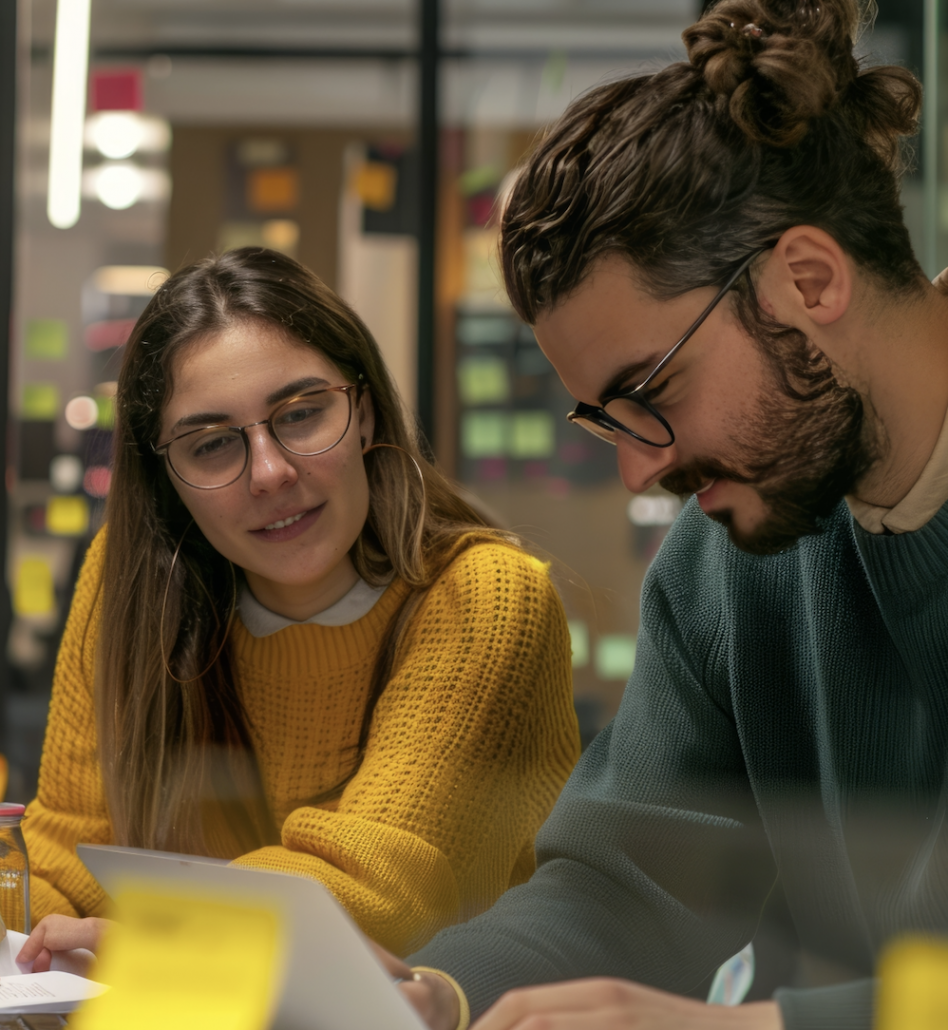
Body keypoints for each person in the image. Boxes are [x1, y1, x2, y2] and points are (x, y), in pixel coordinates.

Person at [373, 1, 948, 1028]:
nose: (641, 469)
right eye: (608, 419)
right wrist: (436, 994)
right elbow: (625, 885)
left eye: (653, 391)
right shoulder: (728, 559)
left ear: (808, 280)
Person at [16, 246, 580, 970]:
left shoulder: (487, 597)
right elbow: (65, 856)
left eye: (303, 414)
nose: (271, 473)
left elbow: (378, 884)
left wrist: (162, 937)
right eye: (213, 445)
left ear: (364, 410)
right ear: (166, 477)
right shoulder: (129, 582)